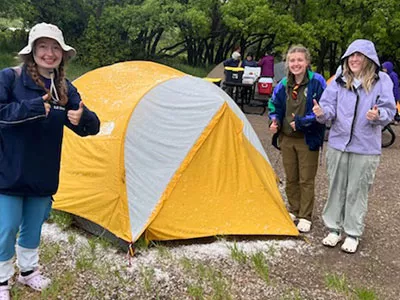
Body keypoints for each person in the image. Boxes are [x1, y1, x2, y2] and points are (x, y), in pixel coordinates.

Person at [0, 22, 100, 298]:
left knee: (33, 225)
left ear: (63, 55)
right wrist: (33, 107)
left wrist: (84, 118)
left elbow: (92, 126)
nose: (49, 53)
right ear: (32, 51)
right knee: (6, 228)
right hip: (9, 172)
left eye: (56, 47)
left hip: (43, 173)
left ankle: (29, 272)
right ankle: (1, 280)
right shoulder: (10, 78)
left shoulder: (64, 87)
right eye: (43, 46)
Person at [313, 39, 395, 253]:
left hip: (365, 147)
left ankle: (352, 233)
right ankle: (334, 229)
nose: (355, 59)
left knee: (357, 191)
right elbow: (328, 106)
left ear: (368, 59)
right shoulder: (339, 80)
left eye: (359, 55)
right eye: (351, 55)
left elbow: (389, 111)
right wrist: (323, 114)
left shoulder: (381, 80)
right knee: (335, 188)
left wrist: (378, 116)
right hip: (338, 144)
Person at [268, 45, 326, 233]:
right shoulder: (284, 83)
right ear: (288, 63)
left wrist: (302, 123)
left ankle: (305, 215)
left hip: (308, 139)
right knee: (291, 177)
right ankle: (294, 209)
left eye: (299, 60)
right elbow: (273, 104)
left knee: (306, 179)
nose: (296, 64)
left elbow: (323, 110)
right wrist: (274, 120)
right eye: (292, 61)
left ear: (307, 62)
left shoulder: (317, 82)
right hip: (287, 138)